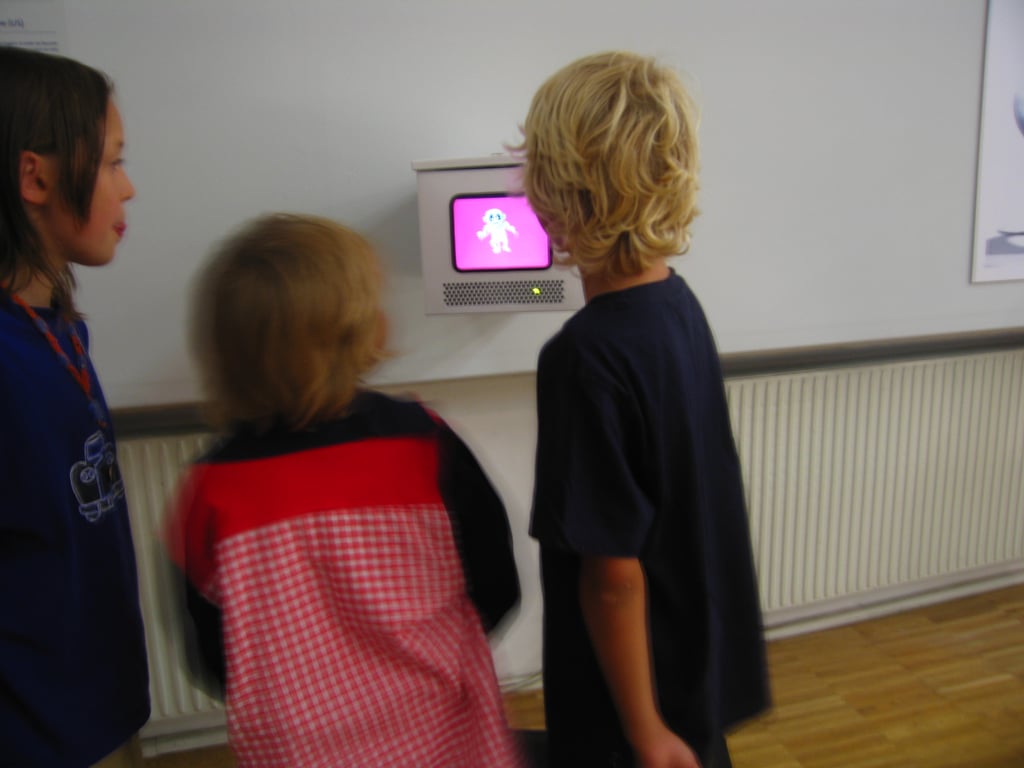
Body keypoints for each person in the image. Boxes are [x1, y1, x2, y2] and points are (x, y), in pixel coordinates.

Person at [163, 213, 525, 767]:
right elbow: (498, 585)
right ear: (352, 330)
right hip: (442, 735)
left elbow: (214, 656)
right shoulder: (422, 444)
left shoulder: (210, 490)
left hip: (299, 751)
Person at [519, 51, 770, 768]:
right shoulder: (678, 304)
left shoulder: (582, 358)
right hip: (688, 660)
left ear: (558, 190)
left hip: (631, 703)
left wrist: (645, 732)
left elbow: (612, 578)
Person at [0, 47, 150, 766]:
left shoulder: (56, 327)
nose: (129, 188)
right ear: (35, 177)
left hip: (95, 703)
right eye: (113, 162)